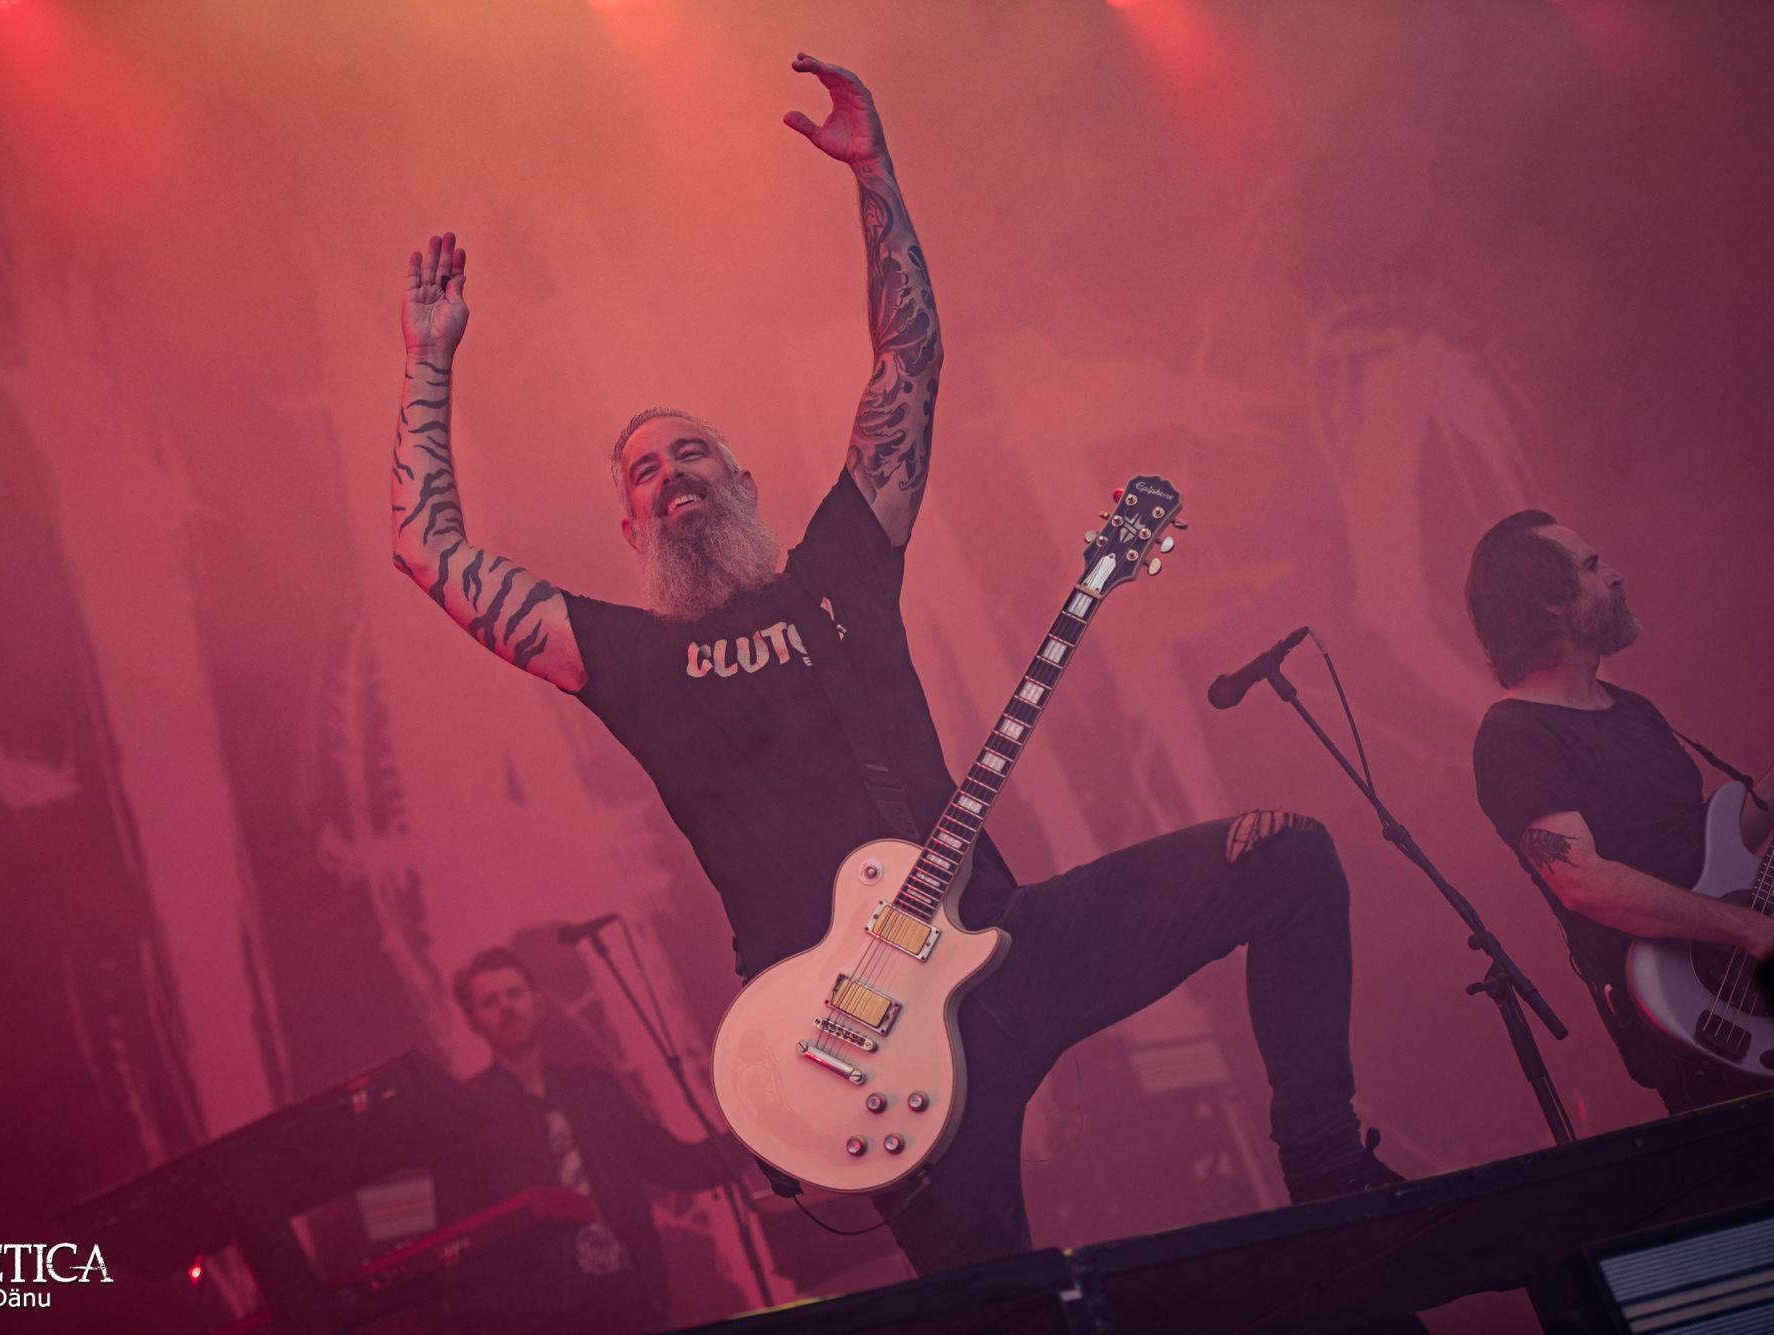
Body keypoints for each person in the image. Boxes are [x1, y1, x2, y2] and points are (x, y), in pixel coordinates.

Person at [390, 54, 1399, 1277]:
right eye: (643, 474)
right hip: (855, 1036)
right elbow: (428, 552)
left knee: (1288, 856)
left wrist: (873, 176)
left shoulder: (839, 566)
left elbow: (906, 368)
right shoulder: (629, 657)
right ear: (627, 527)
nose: (670, 477)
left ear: (742, 480)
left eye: (691, 453)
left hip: (1002, 944)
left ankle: (1324, 1164)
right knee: (991, 1305)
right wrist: (430, 362)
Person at [1466, 510, 1774, 1112]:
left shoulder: (1633, 709)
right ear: (1549, 604)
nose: (1616, 575)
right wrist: (1749, 927)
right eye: (1593, 566)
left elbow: (1710, 852)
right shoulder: (1515, 735)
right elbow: (1584, 884)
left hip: (1747, 980)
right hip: (1699, 1023)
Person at [436, 948, 731, 1332]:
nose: (506, 1007)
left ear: (537, 1001)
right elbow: (462, 1235)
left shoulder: (593, 1090)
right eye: (490, 1001)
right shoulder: (467, 1114)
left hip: (632, 1295)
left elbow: (671, 1163)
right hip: (542, 1316)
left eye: (514, 993)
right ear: (472, 1022)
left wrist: (751, 1142)